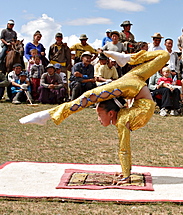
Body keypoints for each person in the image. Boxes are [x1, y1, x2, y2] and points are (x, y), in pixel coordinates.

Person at [20, 49, 170, 183]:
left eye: (99, 115)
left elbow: (124, 148)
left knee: (87, 97)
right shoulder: (124, 114)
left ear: (111, 113)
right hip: (132, 81)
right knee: (164, 55)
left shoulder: (123, 120)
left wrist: (126, 175)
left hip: (132, 84)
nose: (98, 119)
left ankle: (47, 115)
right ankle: (126, 58)